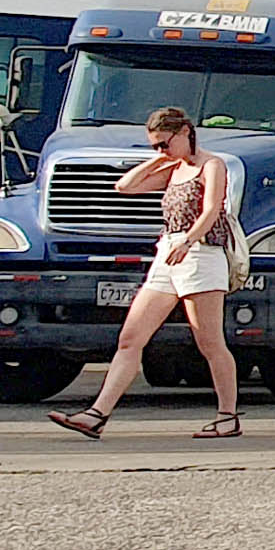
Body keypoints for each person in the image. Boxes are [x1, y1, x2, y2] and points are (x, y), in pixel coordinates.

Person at [51, 106, 244, 439]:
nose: (162, 151)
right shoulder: (173, 168)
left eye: (164, 144)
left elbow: (212, 209)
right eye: (155, 145)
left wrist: (188, 240)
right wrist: (157, 160)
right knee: (130, 338)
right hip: (167, 252)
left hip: (200, 254)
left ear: (186, 132)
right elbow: (124, 187)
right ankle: (97, 414)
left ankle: (228, 416)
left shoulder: (212, 165)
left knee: (209, 342)